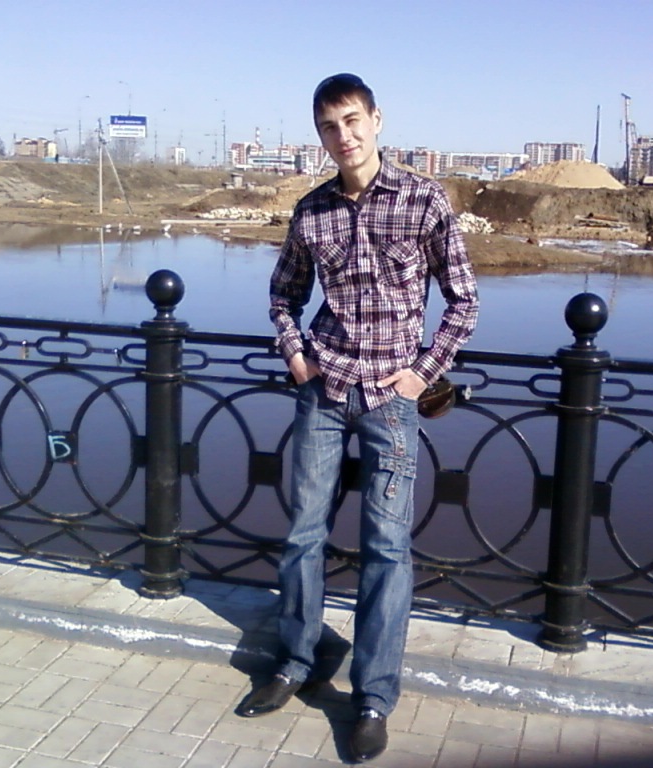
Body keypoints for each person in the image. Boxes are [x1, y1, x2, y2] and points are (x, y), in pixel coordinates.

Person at [235, 72, 479, 762]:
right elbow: (283, 296)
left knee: (387, 548)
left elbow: (463, 300)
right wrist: (296, 355)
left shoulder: (424, 199)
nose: (343, 136)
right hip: (324, 390)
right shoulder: (311, 210)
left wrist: (422, 374)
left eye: (351, 121)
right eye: (328, 127)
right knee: (302, 534)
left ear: (376, 120)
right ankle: (295, 660)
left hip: (391, 402)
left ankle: (372, 697)